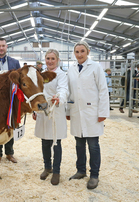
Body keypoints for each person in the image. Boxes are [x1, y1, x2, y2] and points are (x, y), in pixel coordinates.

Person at [66, 41, 109, 190]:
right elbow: (69, 91)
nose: (79, 54)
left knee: (93, 145)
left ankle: (94, 175)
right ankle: (81, 171)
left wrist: (103, 112)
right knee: (79, 144)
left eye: (82, 51)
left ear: (88, 52)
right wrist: (67, 111)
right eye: (77, 52)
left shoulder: (95, 67)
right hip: (76, 111)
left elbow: (103, 90)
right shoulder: (71, 69)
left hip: (92, 112)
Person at [32, 49, 68, 185]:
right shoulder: (40, 75)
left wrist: (59, 97)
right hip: (42, 112)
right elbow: (36, 93)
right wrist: (35, 111)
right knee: (45, 142)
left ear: (57, 60)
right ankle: (47, 167)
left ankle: (57, 171)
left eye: (53, 58)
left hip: (55, 110)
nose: (50, 61)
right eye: (48, 58)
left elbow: (63, 89)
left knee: (56, 142)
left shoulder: (61, 74)